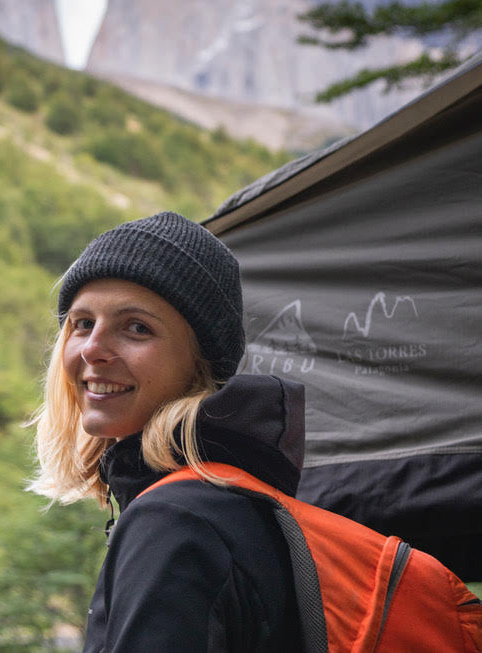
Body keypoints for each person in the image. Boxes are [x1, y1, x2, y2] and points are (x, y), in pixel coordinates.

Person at [30, 211, 305, 651]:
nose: (94, 349)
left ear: (200, 365)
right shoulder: (229, 498)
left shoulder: (178, 521)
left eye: (137, 327)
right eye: (82, 323)